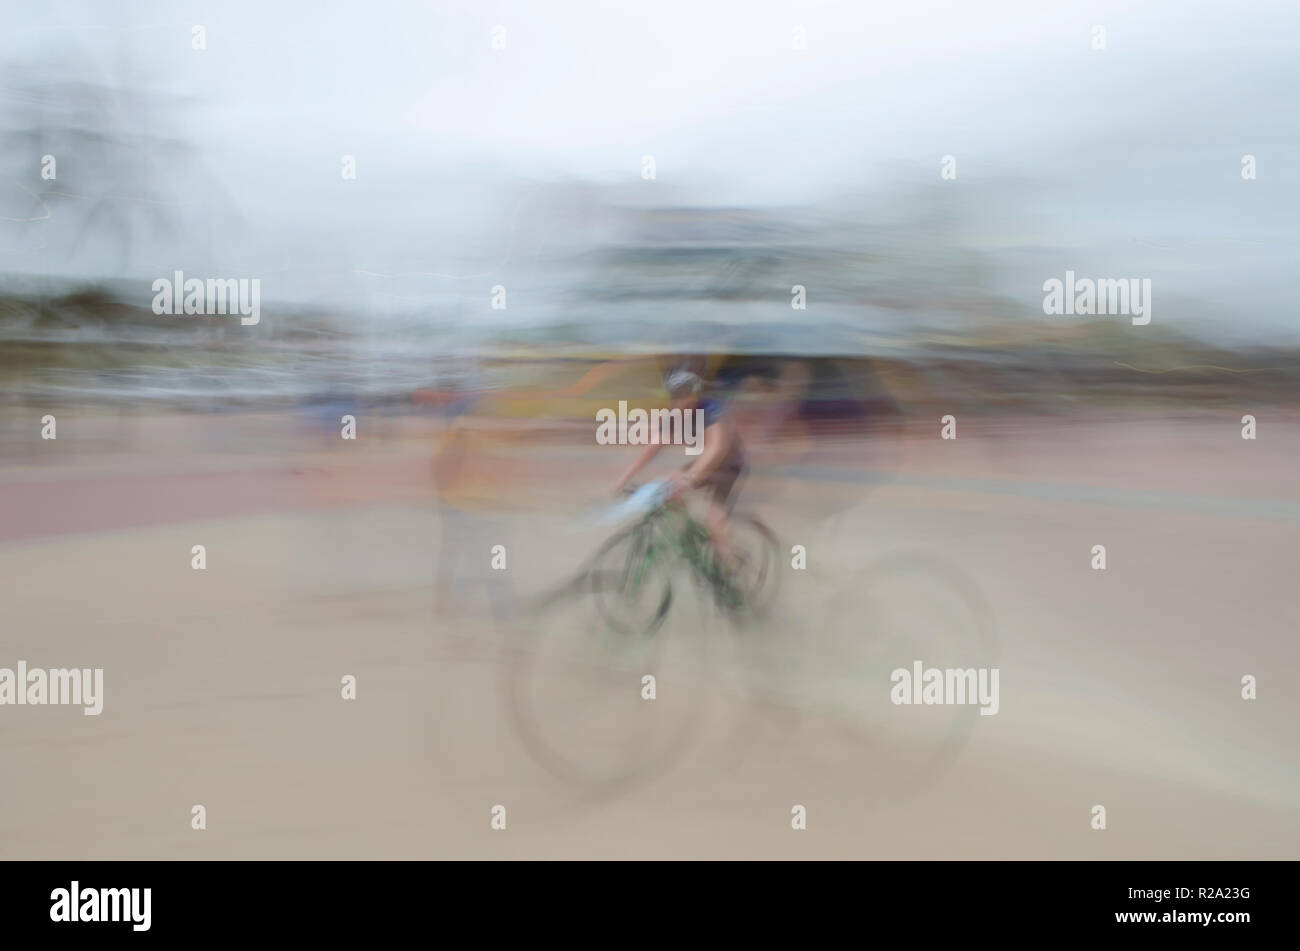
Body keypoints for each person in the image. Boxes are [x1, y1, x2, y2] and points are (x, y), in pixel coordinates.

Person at [613, 368, 746, 569]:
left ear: (695, 394)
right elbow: (656, 445)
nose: (679, 402)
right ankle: (690, 537)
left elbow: (717, 447)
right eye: (675, 396)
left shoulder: (711, 409)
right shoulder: (677, 414)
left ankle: (733, 571)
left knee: (713, 520)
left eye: (684, 395)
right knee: (670, 486)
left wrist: (691, 477)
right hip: (706, 463)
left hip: (729, 465)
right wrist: (625, 477)